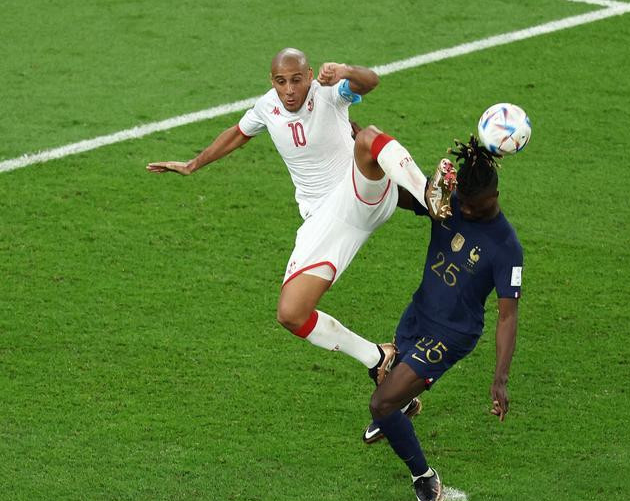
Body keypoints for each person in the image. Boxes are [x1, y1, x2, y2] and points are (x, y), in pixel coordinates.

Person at [147, 48, 455, 376]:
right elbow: (238, 133)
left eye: (296, 80)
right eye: (281, 82)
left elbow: (371, 81)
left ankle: (428, 195)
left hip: (358, 192)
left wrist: (345, 70)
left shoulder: (329, 93)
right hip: (324, 219)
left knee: (367, 137)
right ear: (272, 81)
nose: (290, 90)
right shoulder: (267, 106)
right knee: (291, 313)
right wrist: (194, 164)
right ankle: (378, 358)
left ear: (308, 76)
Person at [363, 136, 523, 501]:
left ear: (494, 196)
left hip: (450, 334)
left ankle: (424, 477)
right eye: (461, 202)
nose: (463, 211)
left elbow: (508, 315)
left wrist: (500, 379)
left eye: (472, 206)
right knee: (383, 374)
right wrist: (383, 176)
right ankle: (404, 409)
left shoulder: (506, 247)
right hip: (418, 313)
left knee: (381, 404)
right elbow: (404, 199)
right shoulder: (451, 204)